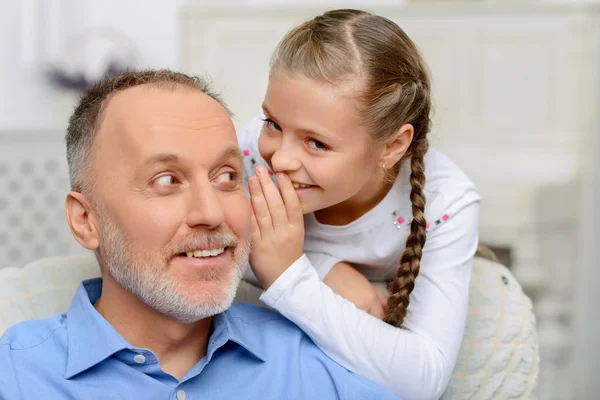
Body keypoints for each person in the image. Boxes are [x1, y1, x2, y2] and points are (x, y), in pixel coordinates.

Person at [0, 70, 399, 399]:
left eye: (226, 177)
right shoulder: (17, 374)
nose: (210, 213)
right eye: (167, 180)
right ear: (86, 221)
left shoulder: (313, 362)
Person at [238, 9, 481, 400]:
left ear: (392, 147)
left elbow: (423, 378)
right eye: (274, 124)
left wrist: (291, 278)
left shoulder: (448, 201)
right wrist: (324, 268)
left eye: (316, 143)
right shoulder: (252, 149)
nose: (280, 159)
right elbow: (201, 238)